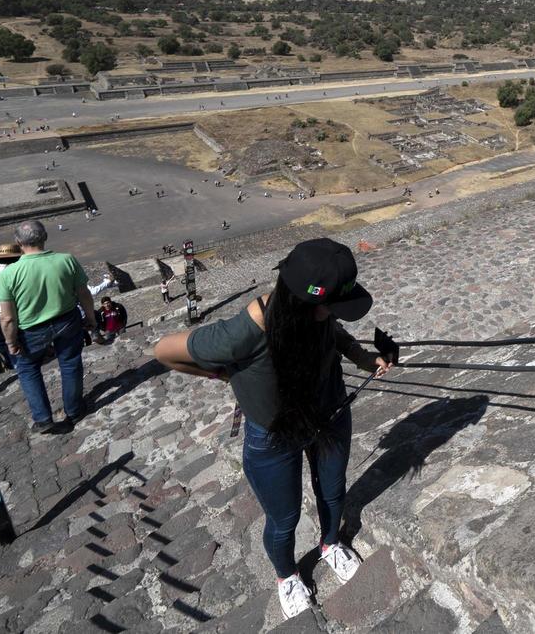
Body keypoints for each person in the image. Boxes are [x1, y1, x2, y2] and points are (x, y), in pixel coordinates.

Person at [153, 238, 392, 619]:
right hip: (274, 435)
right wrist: (222, 373)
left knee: (333, 492)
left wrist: (365, 358)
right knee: (285, 519)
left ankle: (330, 544)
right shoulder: (242, 332)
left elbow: (333, 331)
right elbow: (164, 351)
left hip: (329, 414)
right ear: (303, 301)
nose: (335, 314)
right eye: (331, 306)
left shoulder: (317, 314)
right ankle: (287, 575)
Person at [0, 220, 98, 433]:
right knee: (70, 363)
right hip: (67, 320)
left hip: (31, 329)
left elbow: (7, 318)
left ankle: (43, 418)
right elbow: (84, 294)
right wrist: (91, 318)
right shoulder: (66, 260)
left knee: (27, 369)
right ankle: (74, 410)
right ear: (45, 237)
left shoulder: (8, 274)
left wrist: (10, 341)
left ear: (18, 242)